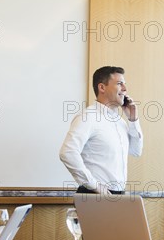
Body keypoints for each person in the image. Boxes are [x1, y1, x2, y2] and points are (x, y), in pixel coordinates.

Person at [60, 66, 143, 195]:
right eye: (120, 84)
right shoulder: (88, 117)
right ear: (102, 87)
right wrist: (95, 186)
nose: (125, 89)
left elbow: (136, 151)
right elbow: (68, 152)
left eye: (125, 84)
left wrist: (133, 120)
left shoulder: (121, 122)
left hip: (117, 194)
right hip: (94, 194)